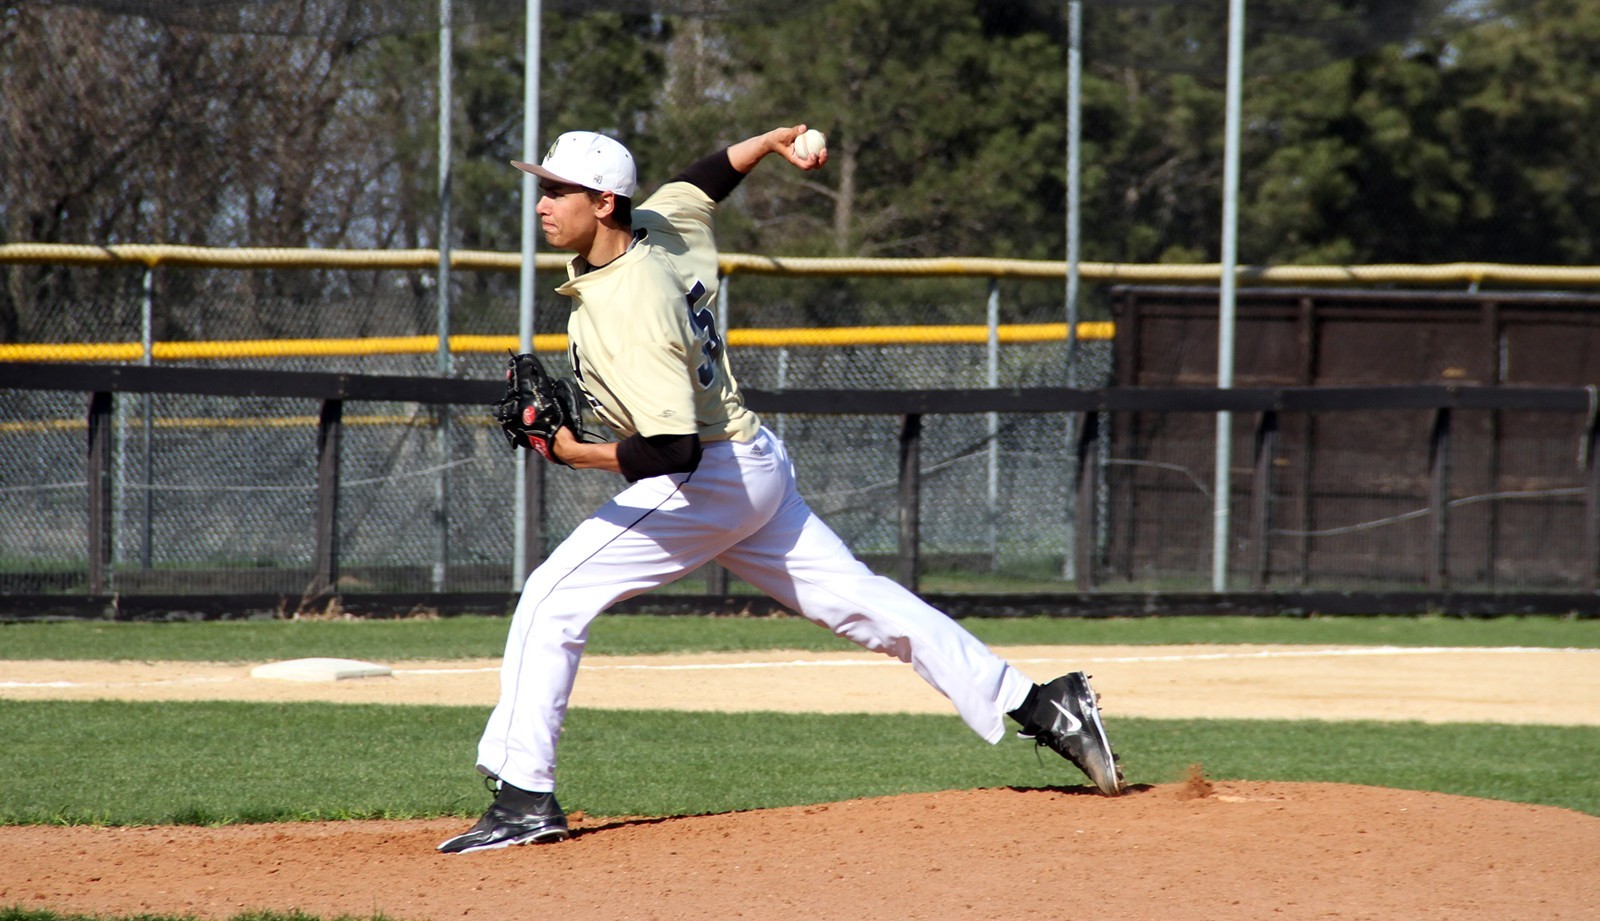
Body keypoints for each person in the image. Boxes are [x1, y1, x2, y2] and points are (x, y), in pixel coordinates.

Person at [437, 125, 1125, 854]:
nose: (542, 204)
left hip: (705, 476)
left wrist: (575, 452)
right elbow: (705, 179)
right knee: (865, 602)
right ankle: (1043, 704)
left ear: (603, 202)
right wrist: (764, 143)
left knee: (552, 596)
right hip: (754, 461)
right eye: (541, 188)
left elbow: (672, 450)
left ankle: (523, 796)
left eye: (556, 190)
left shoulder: (629, 307)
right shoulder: (661, 225)